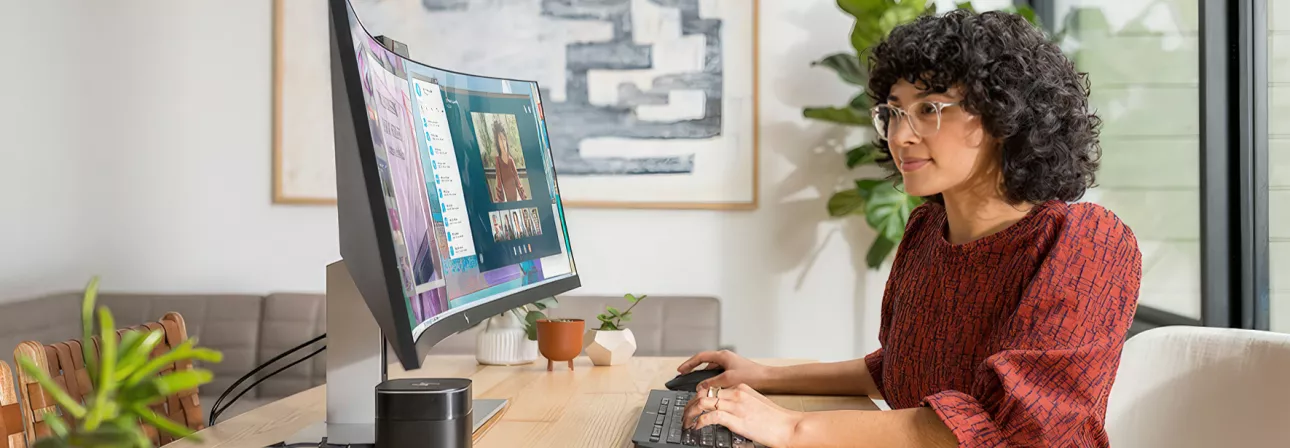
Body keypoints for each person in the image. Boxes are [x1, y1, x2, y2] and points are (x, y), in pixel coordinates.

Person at [677, 10, 1141, 448]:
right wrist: (761, 375)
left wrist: (792, 427)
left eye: (929, 109)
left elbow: (1019, 427)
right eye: (894, 112)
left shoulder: (1085, 242)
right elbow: (899, 369)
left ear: (1006, 116)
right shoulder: (926, 231)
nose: (900, 136)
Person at [491, 120, 526, 202]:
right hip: (506, 199)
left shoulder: (510, 160)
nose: (502, 142)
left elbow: (518, 182)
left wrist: (524, 199)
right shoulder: (498, 160)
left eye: (503, 139)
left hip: (516, 197)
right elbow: (499, 183)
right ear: (497, 142)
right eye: (500, 140)